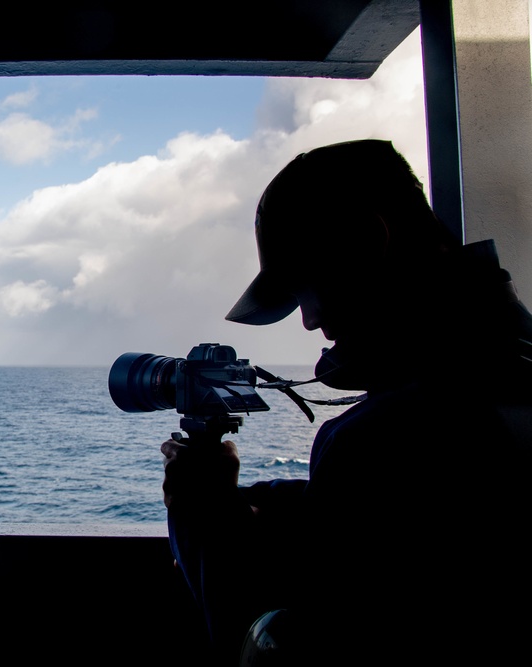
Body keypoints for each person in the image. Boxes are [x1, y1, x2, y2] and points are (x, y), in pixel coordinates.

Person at [160, 139, 532, 666]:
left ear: (364, 243)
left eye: (306, 286)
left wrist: (203, 511)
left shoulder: (381, 437)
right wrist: (299, 503)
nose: (310, 321)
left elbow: (268, 654)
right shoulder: (512, 364)